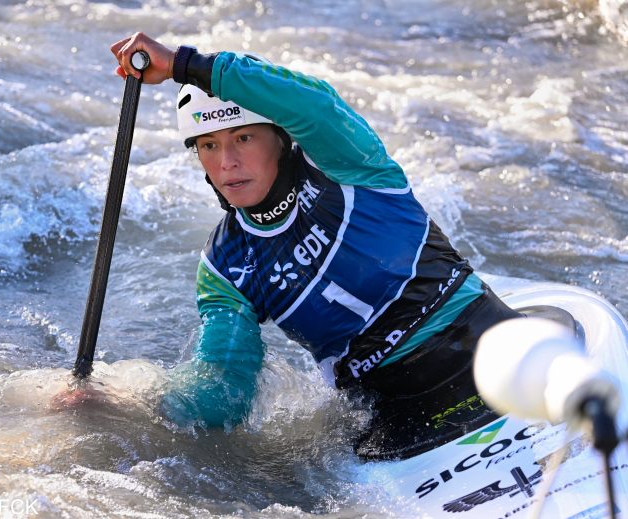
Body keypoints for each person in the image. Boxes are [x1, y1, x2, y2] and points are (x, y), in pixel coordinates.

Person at [110, 33, 521, 459]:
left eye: (243, 138)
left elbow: (313, 104)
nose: (226, 162)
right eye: (209, 146)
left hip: (487, 342)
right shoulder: (224, 266)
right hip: (392, 413)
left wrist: (185, 64)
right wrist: (127, 412)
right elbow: (224, 386)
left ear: (281, 138)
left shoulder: (344, 162)